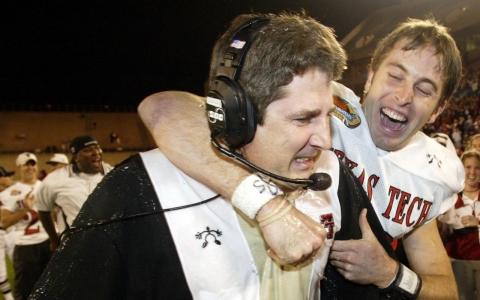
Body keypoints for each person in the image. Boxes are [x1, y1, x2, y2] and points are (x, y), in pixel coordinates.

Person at [30, 13, 394, 299]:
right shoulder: (138, 189)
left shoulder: (332, 175)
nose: (327, 142)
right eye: (303, 118)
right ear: (237, 116)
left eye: (326, 115)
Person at [138, 17, 464, 299]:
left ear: (440, 109)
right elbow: (166, 109)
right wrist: (267, 207)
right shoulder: (319, 102)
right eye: (395, 76)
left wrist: (390, 273)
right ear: (369, 76)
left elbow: (446, 290)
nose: (404, 97)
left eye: (424, 89)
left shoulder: (431, 171)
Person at [36, 136, 112, 252]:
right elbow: (43, 210)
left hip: (110, 244)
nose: (95, 153)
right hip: (74, 247)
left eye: (97, 148)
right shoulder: (55, 180)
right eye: (87, 150)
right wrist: (53, 239)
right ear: (76, 157)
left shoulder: (114, 175)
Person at [0, 153, 50, 300]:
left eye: (32, 164)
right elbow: (4, 222)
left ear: (37, 166)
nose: (30, 167)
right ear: (19, 167)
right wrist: (24, 210)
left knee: (52, 288)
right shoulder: (10, 192)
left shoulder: (47, 187)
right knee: (26, 292)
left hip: (48, 243)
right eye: (26, 164)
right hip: (25, 247)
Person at [438, 150, 480, 300]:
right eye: (468, 167)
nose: (472, 172)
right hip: (459, 260)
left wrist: (478, 223)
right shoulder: (450, 197)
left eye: (477, 167)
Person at [0, 167, 15, 300]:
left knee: (21, 267)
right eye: (6, 177)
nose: (9, 180)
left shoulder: (11, 193)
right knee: (0, 273)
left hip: (11, 233)